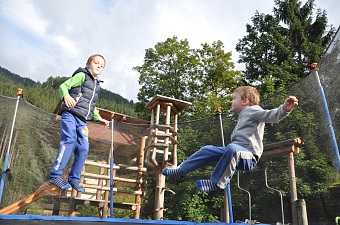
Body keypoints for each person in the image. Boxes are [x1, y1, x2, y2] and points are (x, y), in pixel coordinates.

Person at [162, 86, 298, 192]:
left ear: (245, 101)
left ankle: (217, 183)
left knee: (232, 149)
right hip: (235, 153)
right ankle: (182, 169)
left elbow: (271, 115)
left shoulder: (255, 110)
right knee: (207, 149)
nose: (231, 101)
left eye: (234, 98)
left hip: (249, 156)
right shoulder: (244, 115)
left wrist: (284, 109)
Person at [48, 54, 110, 192]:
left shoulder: (96, 85)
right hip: (70, 114)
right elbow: (64, 86)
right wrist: (66, 95)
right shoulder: (82, 75)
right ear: (88, 64)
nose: (99, 66)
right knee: (69, 140)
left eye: (102, 65)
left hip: (82, 120)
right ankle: (55, 175)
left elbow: (91, 105)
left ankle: (74, 179)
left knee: (83, 148)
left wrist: (98, 118)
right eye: (96, 63)